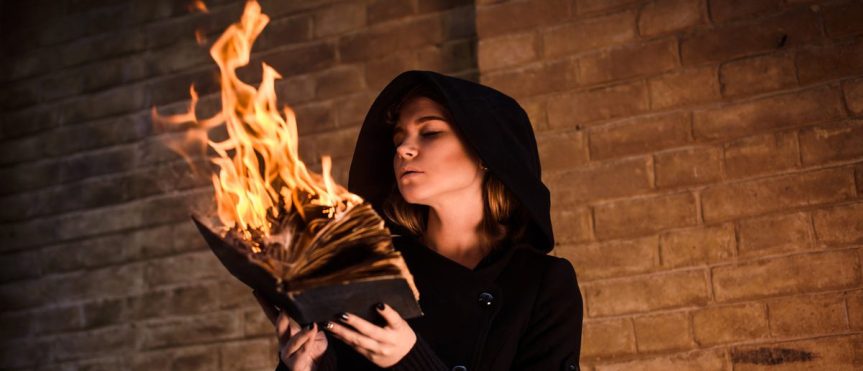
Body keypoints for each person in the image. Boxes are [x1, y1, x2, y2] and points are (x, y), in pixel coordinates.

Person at [256, 70, 583, 371]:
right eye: (400, 137)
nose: (403, 149)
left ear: (486, 151)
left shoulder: (541, 284)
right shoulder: (367, 270)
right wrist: (311, 363)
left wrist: (410, 360)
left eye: (429, 132)